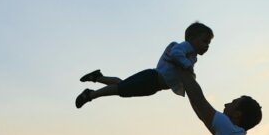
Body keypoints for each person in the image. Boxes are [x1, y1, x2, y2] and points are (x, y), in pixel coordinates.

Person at [75, 22, 214, 109]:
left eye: (209, 43)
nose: (207, 46)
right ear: (191, 38)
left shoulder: (192, 56)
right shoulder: (185, 47)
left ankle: (98, 77)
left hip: (154, 84)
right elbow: (175, 54)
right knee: (121, 89)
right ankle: (90, 95)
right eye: (204, 41)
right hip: (152, 79)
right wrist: (187, 66)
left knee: (123, 85)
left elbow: (186, 72)